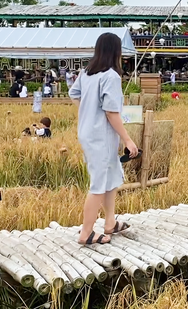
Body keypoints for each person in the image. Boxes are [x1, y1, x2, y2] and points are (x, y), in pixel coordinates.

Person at [69, 33, 139, 245]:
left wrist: (88, 112)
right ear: (116, 52)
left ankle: (109, 223)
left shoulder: (87, 73)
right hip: (101, 136)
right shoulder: (111, 76)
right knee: (99, 183)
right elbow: (111, 112)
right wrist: (128, 140)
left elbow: (74, 94)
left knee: (111, 176)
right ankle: (86, 232)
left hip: (89, 132)